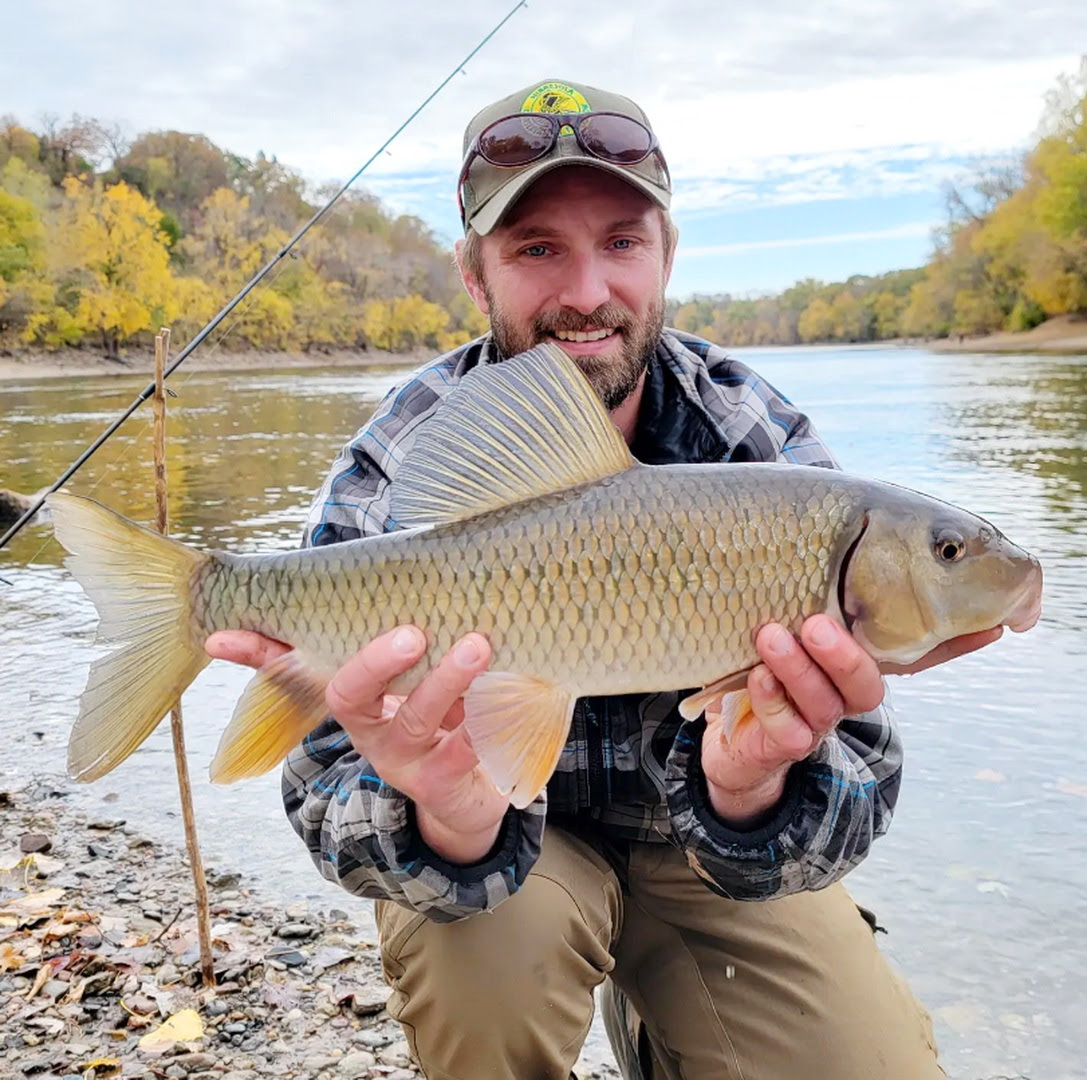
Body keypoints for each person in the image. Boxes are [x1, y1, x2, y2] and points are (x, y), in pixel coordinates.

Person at [207, 79, 1002, 1079]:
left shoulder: (759, 443)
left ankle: (664, 1025)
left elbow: (857, 795)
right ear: (473, 274)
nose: (585, 292)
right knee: (482, 976)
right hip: (513, 860)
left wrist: (752, 790)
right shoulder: (399, 459)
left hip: (704, 861)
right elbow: (325, 799)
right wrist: (446, 819)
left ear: (667, 255)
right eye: (537, 248)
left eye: (621, 241)